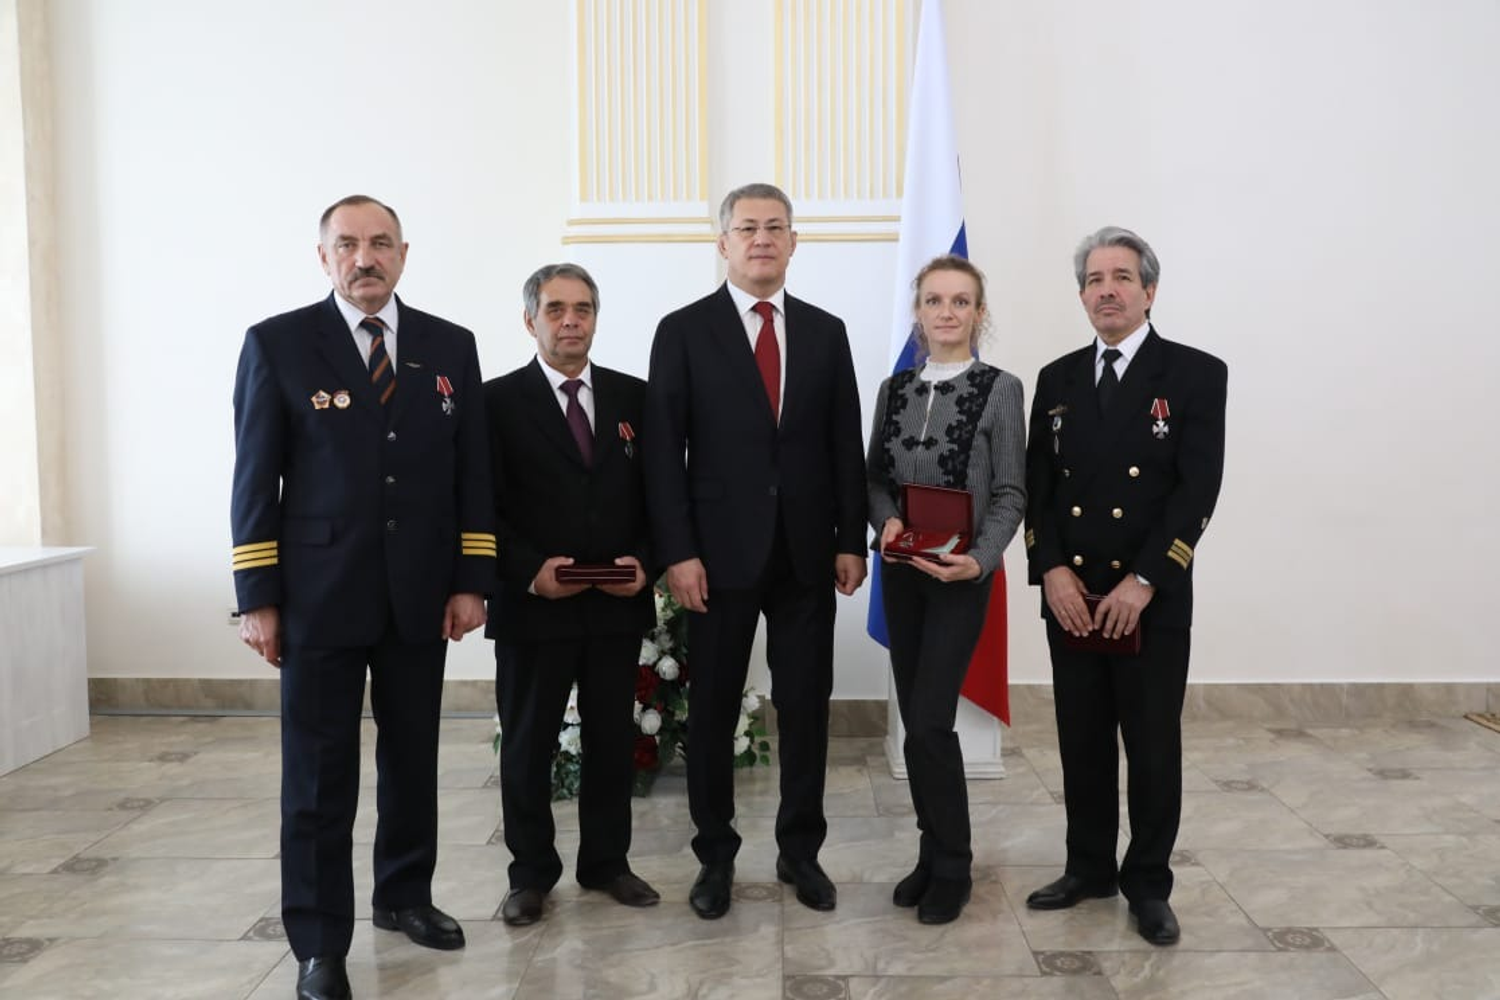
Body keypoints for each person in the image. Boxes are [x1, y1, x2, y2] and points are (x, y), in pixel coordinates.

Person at [231, 195, 494, 1000]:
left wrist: (471, 578)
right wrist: (257, 595)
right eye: (347, 244)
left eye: (380, 243)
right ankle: (318, 943)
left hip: (420, 594)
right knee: (317, 779)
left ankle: (405, 895)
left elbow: (472, 474)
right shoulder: (278, 344)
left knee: (412, 758)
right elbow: (254, 479)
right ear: (324, 258)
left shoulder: (451, 345)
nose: (365, 258)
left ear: (404, 254)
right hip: (318, 597)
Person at [644, 182, 868, 920]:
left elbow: (844, 444)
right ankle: (715, 857)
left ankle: (800, 852)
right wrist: (677, 552)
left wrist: (850, 540)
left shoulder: (827, 332)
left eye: (775, 227)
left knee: (804, 709)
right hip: (715, 558)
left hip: (807, 555)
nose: (762, 238)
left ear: (794, 242)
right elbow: (662, 454)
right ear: (723, 243)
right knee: (711, 711)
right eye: (747, 228)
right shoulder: (683, 330)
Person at [1023, 226, 1227, 946]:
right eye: (1093, 280)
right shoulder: (1057, 379)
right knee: (1081, 741)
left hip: (1150, 600)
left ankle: (1148, 884)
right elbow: (1039, 490)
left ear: (1150, 290)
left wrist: (1144, 580)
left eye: (1121, 277)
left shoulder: (1196, 374)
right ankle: (1088, 868)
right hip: (1073, 599)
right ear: (1081, 295)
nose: (1106, 290)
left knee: (1151, 746)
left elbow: (1197, 491)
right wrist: (1051, 571)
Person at [484, 263, 660, 926]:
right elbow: (479, 507)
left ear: (595, 318)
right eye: (555, 309)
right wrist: (530, 571)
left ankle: (607, 863)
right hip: (534, 607)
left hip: (615, 606)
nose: (570, 321)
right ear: (530, 319)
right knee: (528, 745)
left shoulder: (635, 398)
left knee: (612, 741)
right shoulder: (494, 402)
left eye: (582, 309)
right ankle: (530, 873)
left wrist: (647, 563)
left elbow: (660, 496)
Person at [866, 254, 1026, 924]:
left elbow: (1012, 492)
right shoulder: (894, 389)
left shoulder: (1002, 389)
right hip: (904, 575)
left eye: (961, 301)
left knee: (932, 719)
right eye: (934, 300)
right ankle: (930, 851)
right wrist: (887, 522)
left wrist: (980, 561)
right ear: (918, 312)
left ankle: (955, 865)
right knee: (917, 721)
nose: (947, 312)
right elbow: (875, 479)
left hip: (961, 579)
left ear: (979, 313)